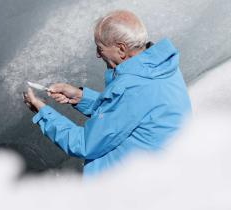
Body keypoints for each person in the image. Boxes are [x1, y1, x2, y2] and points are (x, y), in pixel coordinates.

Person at [23, 10, 192, 177]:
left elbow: (84, 144)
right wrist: (80, 97)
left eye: (100, 48)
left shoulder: (133, 89)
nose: (97, 55)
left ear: (121, 49)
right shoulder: (158, 68)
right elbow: (127, 112)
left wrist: (42, 112)